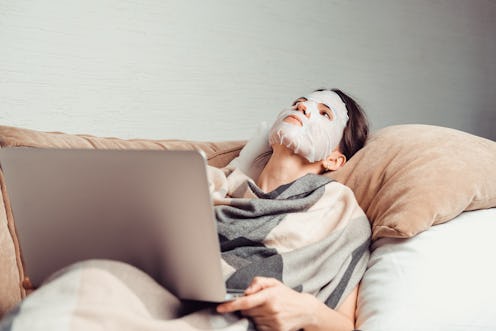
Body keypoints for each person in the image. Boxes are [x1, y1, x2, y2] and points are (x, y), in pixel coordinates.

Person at [213, 88, 370, 331]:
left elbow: (345, 325)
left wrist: (309, 311)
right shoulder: (216, 184)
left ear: (334, 160)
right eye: (298, 103)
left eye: (325, 114)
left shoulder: (338, 208)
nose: (302, 108)